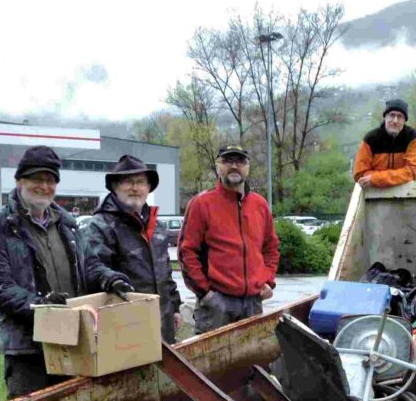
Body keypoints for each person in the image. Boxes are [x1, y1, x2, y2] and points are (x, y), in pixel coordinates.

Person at [0, 145, 85, 398]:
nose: (44, 187)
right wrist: (39, 305)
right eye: (36, 179)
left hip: (72, 342)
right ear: (19, 181)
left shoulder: (68, 225)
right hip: (27, 349)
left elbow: (87, 267)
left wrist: (107, 278)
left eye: (50, 180)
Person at [178, 145, 281, 334]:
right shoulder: (201, 203)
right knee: (211, 362)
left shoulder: (260, 205)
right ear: (218, 167)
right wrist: (205, 293)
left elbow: (271, 248)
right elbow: (187, 252)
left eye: (240, 161)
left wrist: (267, 280)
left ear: (248, 167)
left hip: (252, 303)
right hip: (217, 304)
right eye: (228, 161)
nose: (234, 166)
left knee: (252, 359)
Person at [82, 155, 182, 343]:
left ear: (148, 188)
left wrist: (175, 307)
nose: (135, 188)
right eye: (128, 182)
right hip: (124, 325)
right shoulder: (101, 226)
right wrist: (114, 282)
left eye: (141, 182)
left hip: (163, 322)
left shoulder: (157, 226)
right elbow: (92, 271)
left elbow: (165, 273)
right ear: (115, 186)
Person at [353, 99, 416, 188]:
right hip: (374, 195)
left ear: (405, 120)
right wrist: (399, 176)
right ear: (385, 117)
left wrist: (376, 178)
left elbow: (412, 172)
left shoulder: (412, 138)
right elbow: (360, 174)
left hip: (406, 193)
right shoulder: (371, 139)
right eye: (392, 115)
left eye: (400, 116)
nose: (395, 121)